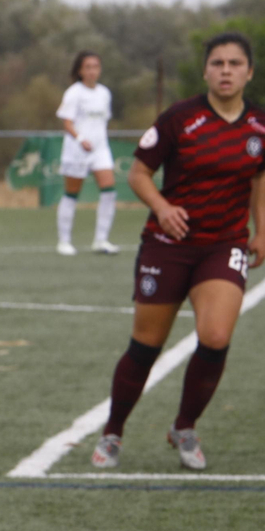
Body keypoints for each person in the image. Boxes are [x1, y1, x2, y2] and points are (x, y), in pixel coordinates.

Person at [91, 31, 263, 472]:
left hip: (223, 245)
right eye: (218, 63)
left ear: (249, 71)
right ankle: (113, 432)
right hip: (167, 247)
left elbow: (259, 180)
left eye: (235, 63)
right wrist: (163, 207)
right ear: (206, 70)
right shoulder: (179, 119)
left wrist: (261, 230)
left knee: (217, 336)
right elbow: (139, 172)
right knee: (147, 345)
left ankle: (184, 427)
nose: (226, 71)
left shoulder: (259, 126)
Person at [56, 51, 119, 255]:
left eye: (96, 66)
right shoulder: (74, 93)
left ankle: (101, 240)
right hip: (77, 150)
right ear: (80, 70)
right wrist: (81, 139)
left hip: (100, 150)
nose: (92, 71)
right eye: (88, 67)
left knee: (109, 190)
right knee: (71, 193)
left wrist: (97, 142)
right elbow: (67, 122)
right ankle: (64, 241)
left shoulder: (104, 93)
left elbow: (102, 121)